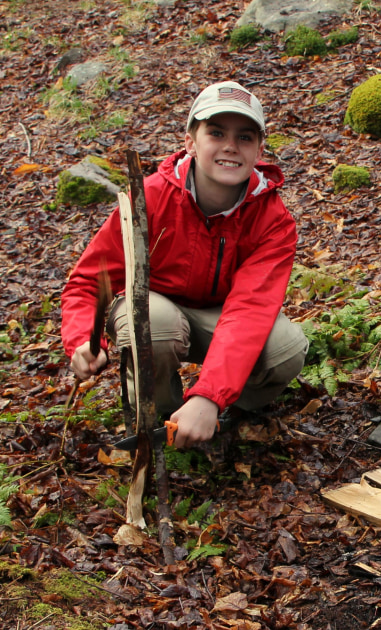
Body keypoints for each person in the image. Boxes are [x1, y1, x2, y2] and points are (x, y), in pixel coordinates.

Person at [61, 81, 308, 448]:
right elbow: (87, 282)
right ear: (191, 142)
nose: (230, 146)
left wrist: (209, 395)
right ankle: (159, 415)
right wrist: (83, 339)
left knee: (285, 350)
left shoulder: (272, 219)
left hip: (220, 315)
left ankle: (212, 415)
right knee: (155, 325)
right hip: (154, 308)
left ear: (259, 149)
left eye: (244, 137)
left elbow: (250, 309)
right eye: (216, 132)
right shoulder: (149, 199)